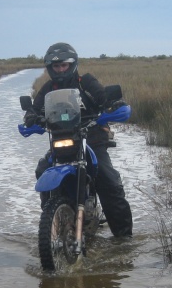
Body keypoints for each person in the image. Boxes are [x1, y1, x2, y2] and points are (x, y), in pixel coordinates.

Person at [23, 42, 133, 237]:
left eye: (64, 65)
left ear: (72, 64)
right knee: (42, 169)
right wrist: (31, 117)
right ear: (50, 68)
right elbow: (36, 108)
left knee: (108, 181)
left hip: (91, 139)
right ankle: (52, 220)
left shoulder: (86, 82)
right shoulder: (48, 88)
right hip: (62, 140)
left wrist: (114, 104)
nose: (60, 69)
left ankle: (123, 240)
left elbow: (103, 98)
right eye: (56, 66)